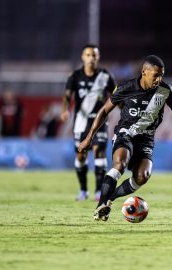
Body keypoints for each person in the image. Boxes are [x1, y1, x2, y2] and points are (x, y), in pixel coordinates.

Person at [78, 55, 172, 222]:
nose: (158, 79)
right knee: (120, 164)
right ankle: (101, 206)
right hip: (126, 133)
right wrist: (89, 138)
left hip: (146, 139)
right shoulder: (126, 87)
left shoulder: (166, 91)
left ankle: (110, 199)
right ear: (144, 72)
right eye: (155, 75)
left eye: (161, 75)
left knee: (142, 176)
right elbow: (104, 111)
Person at [60, 44, 116, 201]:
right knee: (81, 156)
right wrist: (65, 110)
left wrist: (122, 108)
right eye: (88, 55)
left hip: (100, 122)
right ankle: (83, 190)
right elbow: (67, 96)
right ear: (82, 57)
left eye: (94, 55)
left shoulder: (105, 76)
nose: (91, 58)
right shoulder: (75, 76)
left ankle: (99, 191)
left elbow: (116, 94)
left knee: (99, 152)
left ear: (98, 58)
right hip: (81, 123)